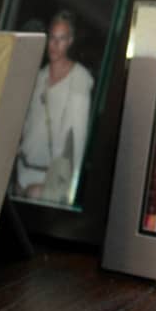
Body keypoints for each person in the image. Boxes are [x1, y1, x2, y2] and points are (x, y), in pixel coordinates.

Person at [15, 11, 93, 205]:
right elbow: (27, 123)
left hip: (51, 176)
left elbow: (77, 138)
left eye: (61, 39)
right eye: (52, 38)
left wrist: (67, 185)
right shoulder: (39, 76)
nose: (55, 45)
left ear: (70, 41)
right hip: (23, 170)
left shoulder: (79, 79)